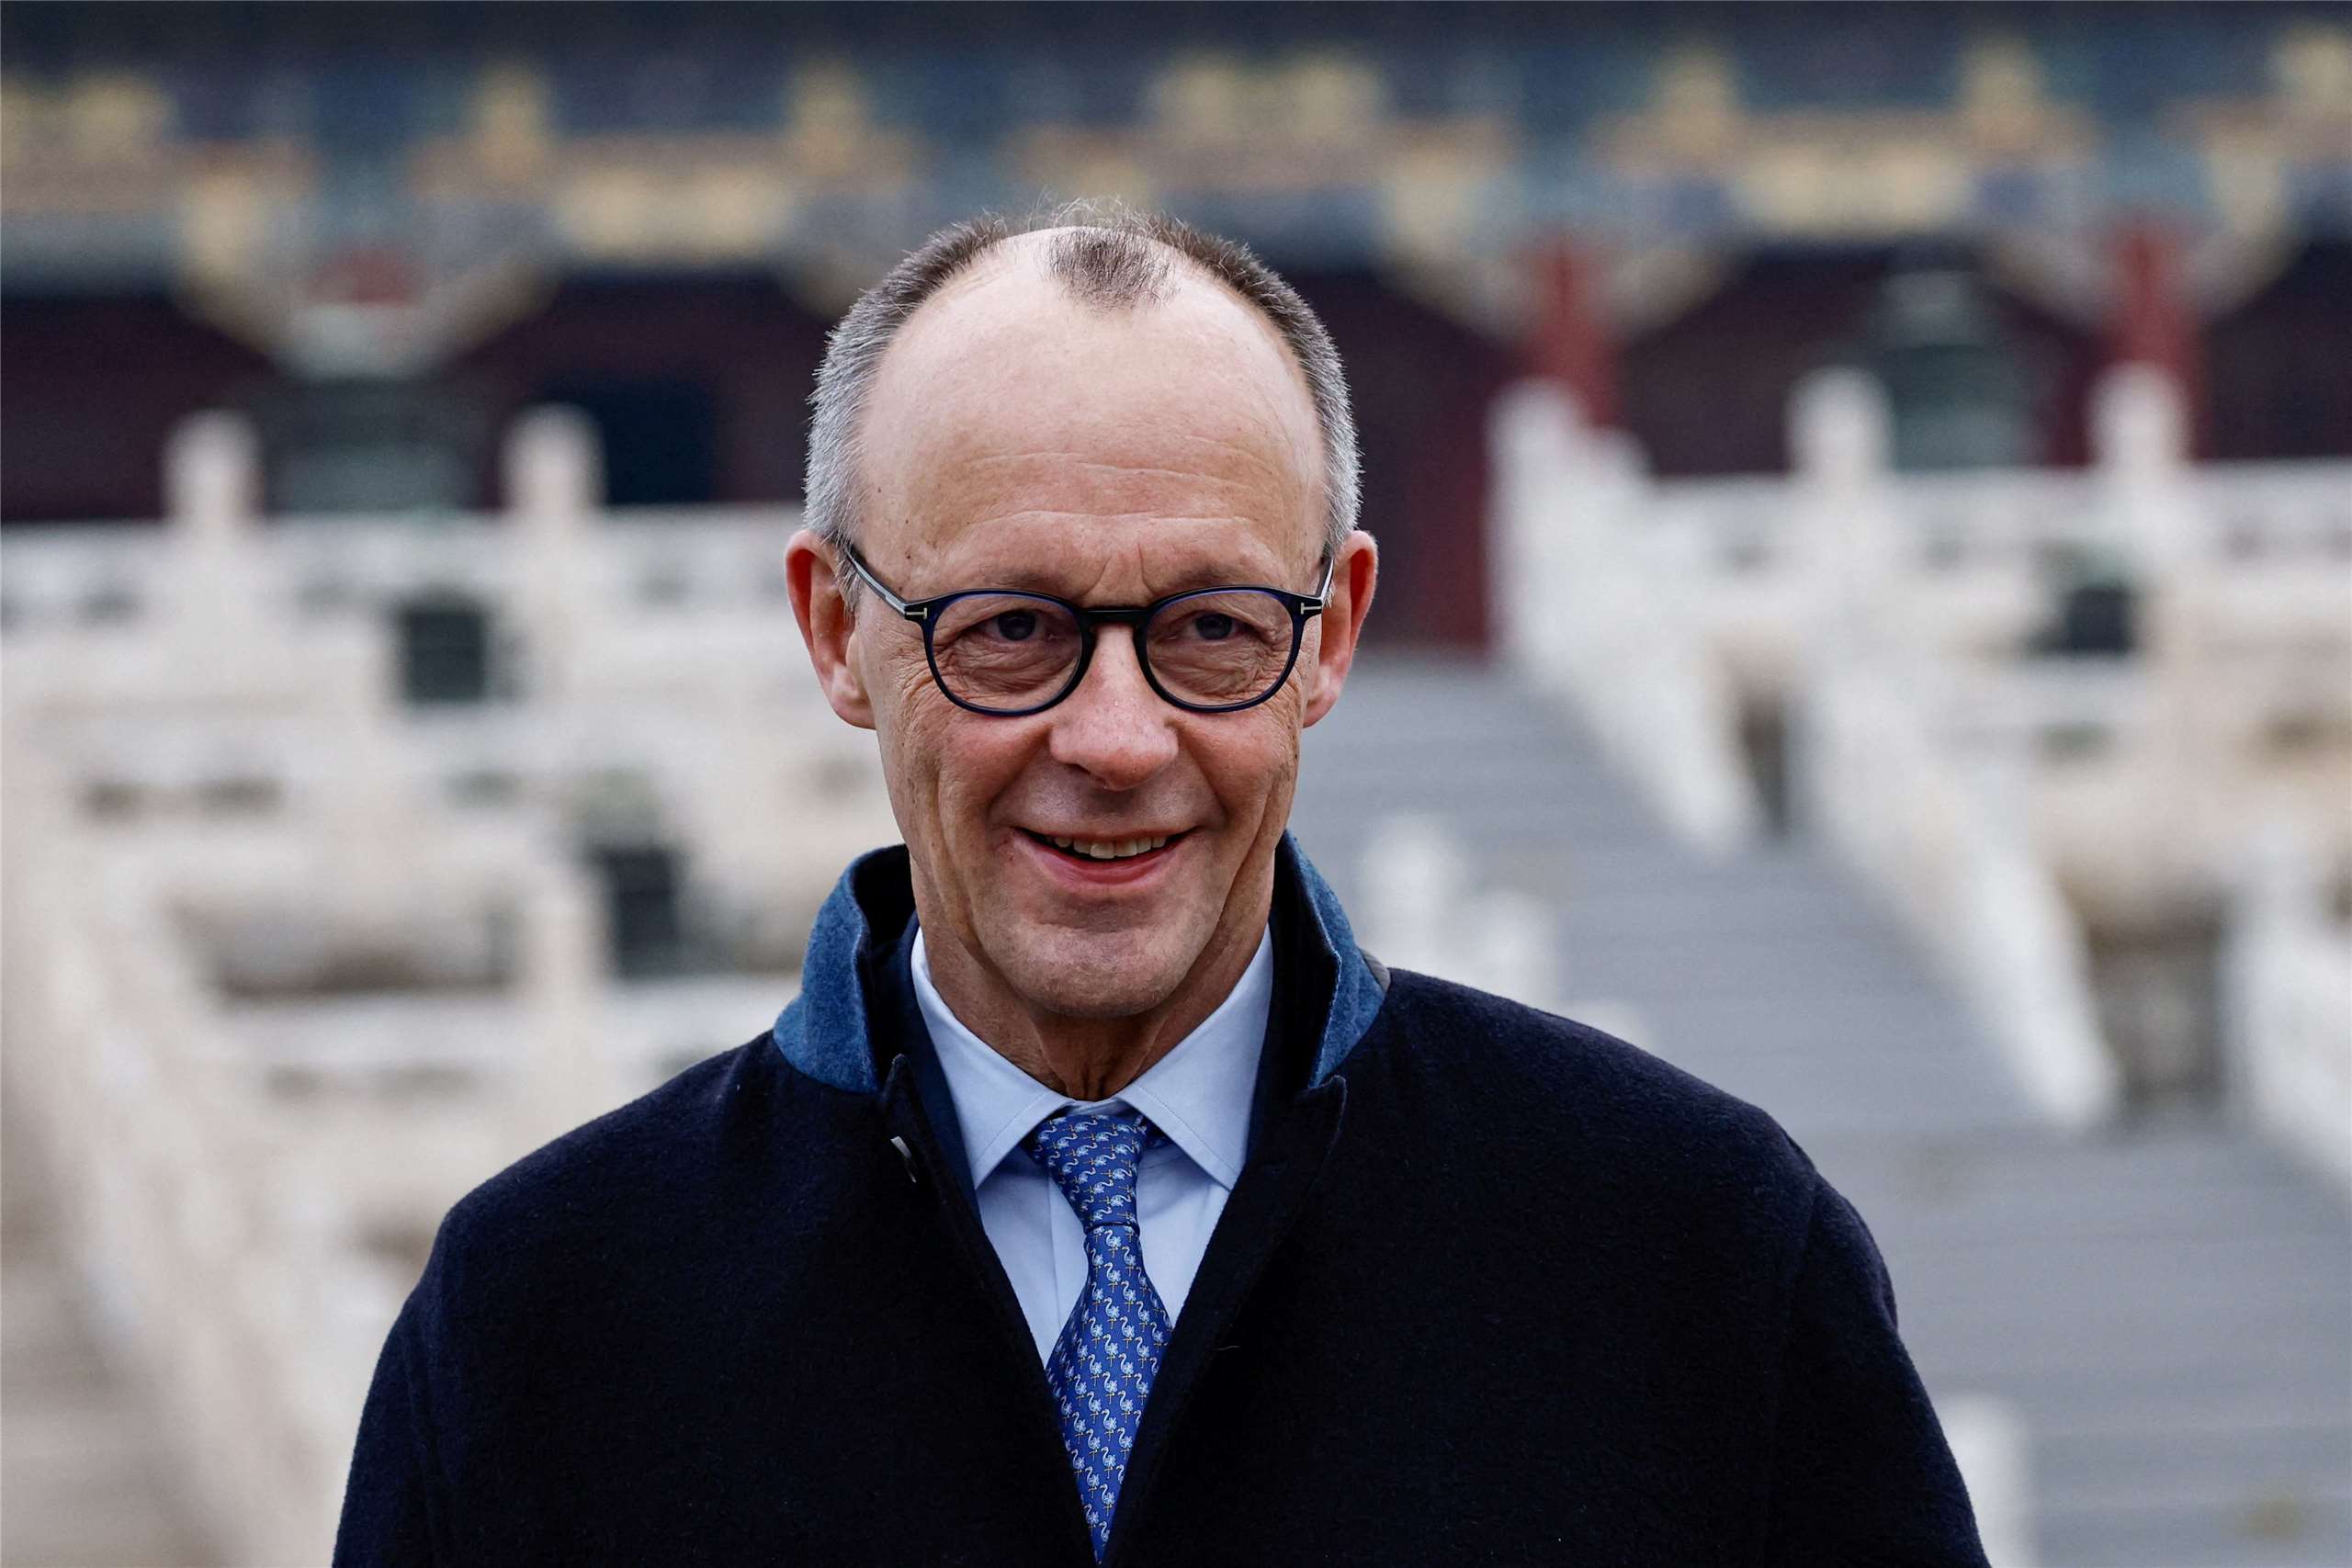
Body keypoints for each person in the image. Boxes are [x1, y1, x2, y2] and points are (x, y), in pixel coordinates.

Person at [335, 205, 1988, 1566]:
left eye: (1210, 629)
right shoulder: (551, 1318)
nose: (1116, 740)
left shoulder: (1686, 1253)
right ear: (838, 631)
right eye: (1009, 632)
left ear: (1331, 634)